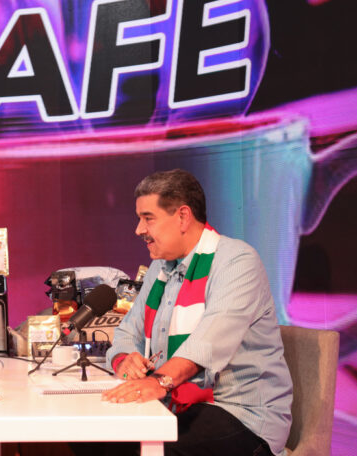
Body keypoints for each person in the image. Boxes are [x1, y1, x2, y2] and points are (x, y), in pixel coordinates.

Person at [99, 169, 292, 456]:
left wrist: (158, 381)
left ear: (183, 217)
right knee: (96, 439)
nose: (138, 230)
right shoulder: (159, 268)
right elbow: (128, 332)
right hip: (179, 408)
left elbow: (207, 345)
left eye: (148, 218)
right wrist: (125, 359)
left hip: (241, 415)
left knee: (142, 451)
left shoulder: (237, 261)